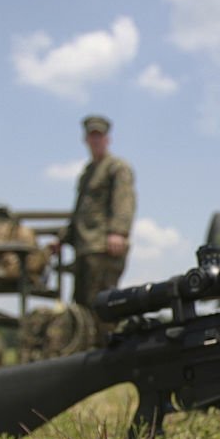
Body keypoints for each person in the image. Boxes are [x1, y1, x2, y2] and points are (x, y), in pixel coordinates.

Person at [52, 115, 136, 341]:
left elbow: (124, 201)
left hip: (104, 248)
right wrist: (62, 239)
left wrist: (118, 232)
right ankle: (86, 356)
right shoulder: (88, 172)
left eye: (99, 135)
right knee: (83, 307)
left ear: (107, 139)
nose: (95, 140)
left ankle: (110, 356)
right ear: (86, 139)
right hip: (85, 248)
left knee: (104, 306)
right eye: (92, 136)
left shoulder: (117, 168)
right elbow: (80, 211)